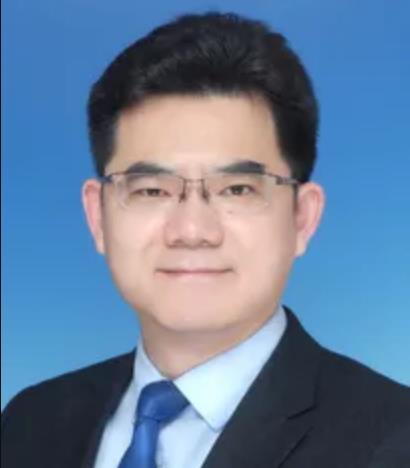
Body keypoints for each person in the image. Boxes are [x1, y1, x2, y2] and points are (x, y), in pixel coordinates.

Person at [2, 11, 409, 468]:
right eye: (152, 191)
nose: (192, 231)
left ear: (303, 217)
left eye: (237, 190)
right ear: (97, 216)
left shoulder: (393, 441)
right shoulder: (30, 423)